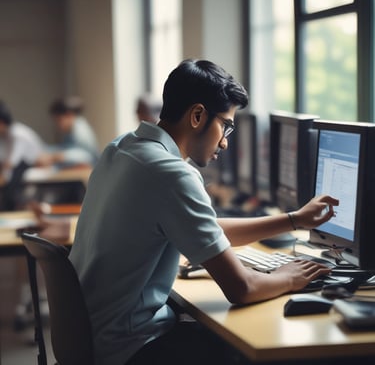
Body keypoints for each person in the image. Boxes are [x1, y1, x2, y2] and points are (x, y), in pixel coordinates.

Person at [69, 59, 339, 365]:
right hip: (131, 349)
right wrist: (287, 277)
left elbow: (206, 229)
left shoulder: (121, 149)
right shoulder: (171, 173)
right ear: (197, 115)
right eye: (225, 125)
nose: (224, 141)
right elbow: (243, 288)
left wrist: (294, 220)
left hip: (96, 337)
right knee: (259, 347)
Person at [0, 100, 47, 209]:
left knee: (11, 185)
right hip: (16, 167)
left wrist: (3, 177)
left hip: (31, 165)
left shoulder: (18, 134)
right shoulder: (4, 136)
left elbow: (11, 162)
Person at [45, 95, 99, 167]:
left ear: (69, 115)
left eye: (59, 120)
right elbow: (65, 147)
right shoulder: (71, 130)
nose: (57, 124)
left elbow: (88, 156)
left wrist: (60, 156)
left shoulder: (81, 130)